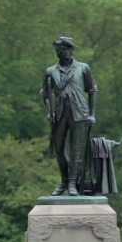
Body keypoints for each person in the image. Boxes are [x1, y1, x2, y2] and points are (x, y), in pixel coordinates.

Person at [40, 37, 98, 196]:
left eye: (66, 49)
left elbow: (92, 90)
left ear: (71, 50)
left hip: (78, 112)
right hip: (59, 114)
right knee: (59, 149)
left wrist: (92, 114)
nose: (63, 52)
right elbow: (45, 93)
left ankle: (72, 183)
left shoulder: (82, 68)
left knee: (76, 150)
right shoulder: (50, 71)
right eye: (59, 50)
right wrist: (49, 110)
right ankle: (64, 180)